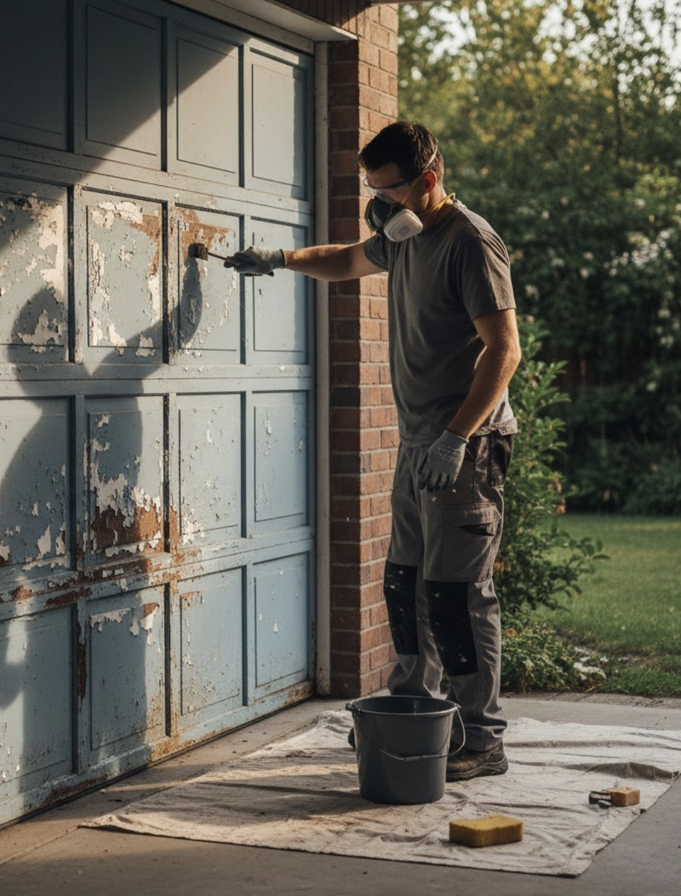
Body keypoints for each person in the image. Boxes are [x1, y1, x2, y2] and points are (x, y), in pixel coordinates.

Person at [225, 121, 521, 782]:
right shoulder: (400, 237)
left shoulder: (470, 244)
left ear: (429, 180)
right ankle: (417, 709)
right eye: (373, 190)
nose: (381, 205)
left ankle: (483, 737)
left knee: (456, 594)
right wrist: (279, 260)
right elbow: (347, 261)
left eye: (390, 191)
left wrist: (456, 436)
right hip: (421, 444)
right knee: (405, 584)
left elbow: (505, 351)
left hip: (465, 447)